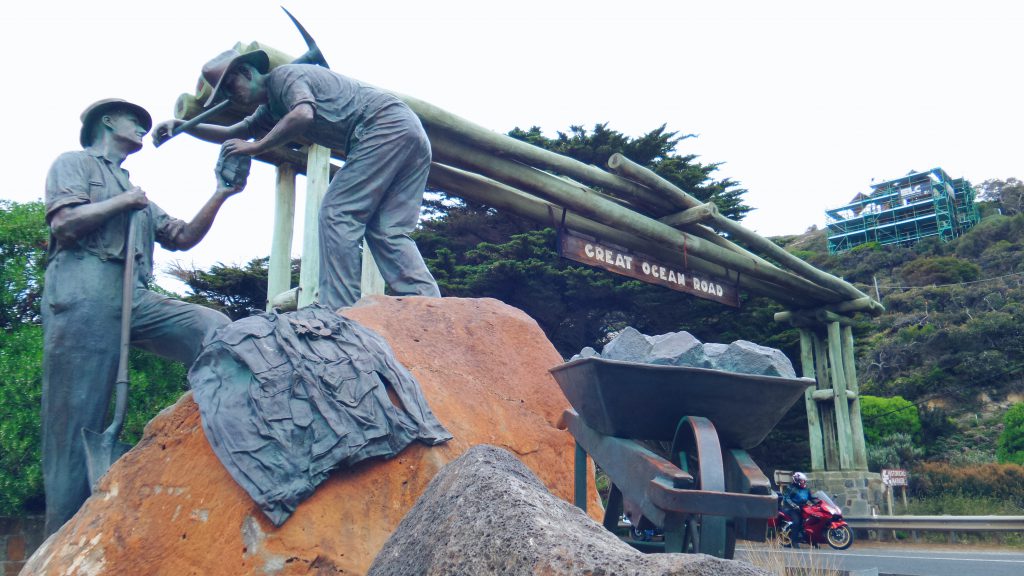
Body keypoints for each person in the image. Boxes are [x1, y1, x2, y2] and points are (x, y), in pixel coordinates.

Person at [42, 98, 244, 536]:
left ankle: (229, 439)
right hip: (84, 289)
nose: (141, 126)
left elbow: (184, 236)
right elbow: (65, 224)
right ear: (107, 121)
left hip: (133, 296)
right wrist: (123, 203)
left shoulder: (139, 196)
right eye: (134, 119)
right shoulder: (74, 164)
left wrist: (222, 191)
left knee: (212, 329)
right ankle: (60, 539)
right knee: (75, 425)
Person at [153, 49, 441, 310]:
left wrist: (256, 147)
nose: (232, 95)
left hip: (383, 126)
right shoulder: (271, 107)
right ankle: (429, 306)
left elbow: (303, 114)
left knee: (337, 212)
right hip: (408, 131)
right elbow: (235, 132)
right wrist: (183, 127)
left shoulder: (285, 76)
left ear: (247, 72)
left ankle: (338, 309)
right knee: (386, 229)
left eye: (231, 85)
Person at [782, 471, 812, 547]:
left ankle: (812, 541)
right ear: (797, 480)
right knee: (797, 522)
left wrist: (820, 502)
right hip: (791, 509)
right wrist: (794, 505)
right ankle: (794, 541)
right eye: (802, 480)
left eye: (804, 480)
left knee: (810, 521)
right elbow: (786, 498)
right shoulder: (791, 488)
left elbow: (811, 498)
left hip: (803, 508)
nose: (803, 482)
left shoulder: (806, 489)